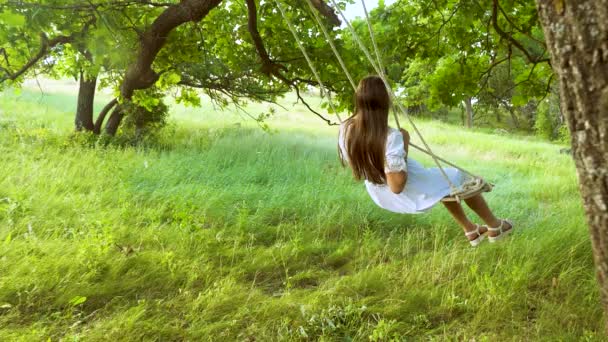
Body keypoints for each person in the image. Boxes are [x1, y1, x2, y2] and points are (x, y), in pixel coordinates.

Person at [338, 75, 513, 246]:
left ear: (359, 100)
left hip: (378, 191)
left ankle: (471, 230)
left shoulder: (345, 128)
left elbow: (361, 162)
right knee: (460, 178)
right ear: (384, 103)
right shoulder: (390, 137)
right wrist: (404, 143)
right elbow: (397, 186)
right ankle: (495, 226)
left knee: (443, 183)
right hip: (404, 191)